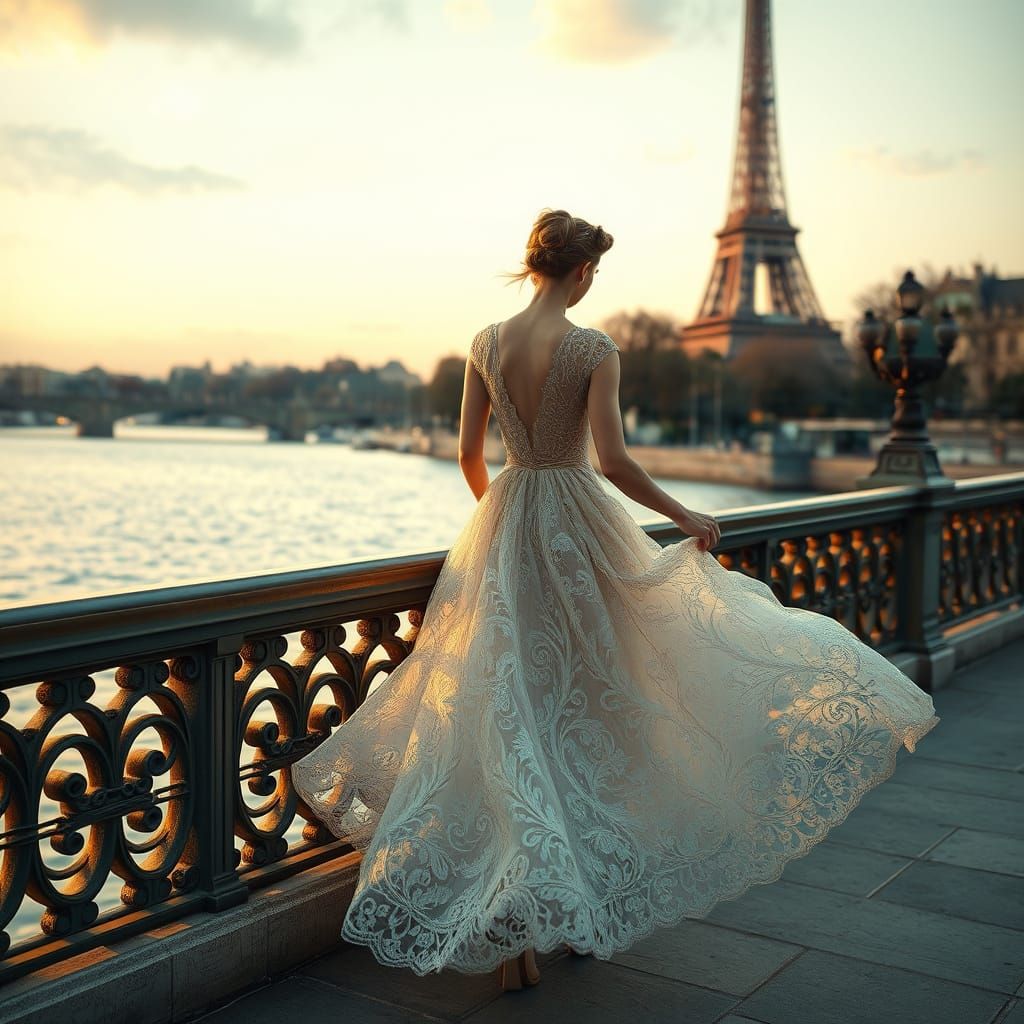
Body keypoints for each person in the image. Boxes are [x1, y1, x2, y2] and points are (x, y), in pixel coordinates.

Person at [290, 208, 939, 993]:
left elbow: (470, 454)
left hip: (505, 524)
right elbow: (615, 461)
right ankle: (577, 905)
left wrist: (500, 519)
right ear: (581, 272)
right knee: (593, 708)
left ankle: (513, 934)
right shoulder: (593, 348)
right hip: (576, 528)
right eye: (595, 267)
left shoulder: (485, 342)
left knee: (504, 716)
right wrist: (685, 516)